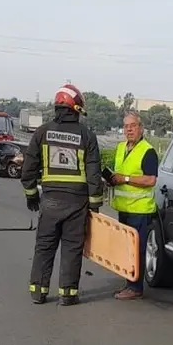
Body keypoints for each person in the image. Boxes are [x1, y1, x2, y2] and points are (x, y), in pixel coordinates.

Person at [21, 84, 104, 306]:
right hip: (77, 203)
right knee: (72, 247)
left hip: (50, 201)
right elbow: (93, 172)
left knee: (45, 246)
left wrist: (31, 195)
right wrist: (95, 205)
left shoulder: (42, 132)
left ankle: (38, 291)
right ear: (75, 108)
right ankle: (68, 293)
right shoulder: (87, 135)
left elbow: (28, 168)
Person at [108, 109, 159, 300]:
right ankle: (130, 282)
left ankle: (135, 287)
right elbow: (119, 173)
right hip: (124, 208)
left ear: (141, 128)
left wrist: (126, 178)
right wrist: (113, 179)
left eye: (133, 126)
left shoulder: (148, 151)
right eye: (126, 126)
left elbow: (150, 180)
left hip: (140, 209)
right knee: (126, 248)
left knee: (136, 249)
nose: (129, 130)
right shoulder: (121, 148)